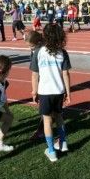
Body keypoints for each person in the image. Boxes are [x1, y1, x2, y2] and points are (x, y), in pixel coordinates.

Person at [30, 24, 72, 162]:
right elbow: (66, 74)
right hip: (59, 90)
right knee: (59, 117)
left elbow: (35, 75)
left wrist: (34, 91)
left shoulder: (38, 52)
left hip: (45, 91)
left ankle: (51, 151)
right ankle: (63, 142)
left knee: (47, 120)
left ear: (45, 36)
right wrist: (68, 92)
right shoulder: (62, 52)